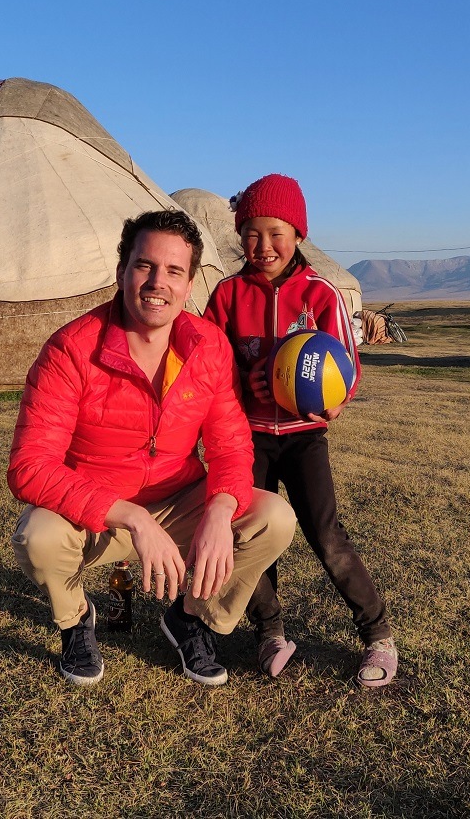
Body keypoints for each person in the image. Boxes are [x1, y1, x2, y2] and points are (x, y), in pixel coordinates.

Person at [8, 210, 296, 686]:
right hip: (98, 508)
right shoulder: (71, 349)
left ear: (189, 284)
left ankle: (192, 619)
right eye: (145, 266)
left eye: (174, 271)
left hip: (179, 497)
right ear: (122, 271)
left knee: (274, 517)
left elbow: (230, 444)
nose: (157, 282)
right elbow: (29, 467)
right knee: (38, 535)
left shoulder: (209, 347)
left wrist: (221, 511)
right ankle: (76, 619)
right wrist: (133, 518)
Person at [203, 174, 398, 687]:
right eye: (251, 234)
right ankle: (269, 632)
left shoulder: (322, 294)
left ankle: (377, 635)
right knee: (254, 532)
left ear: (298, 234)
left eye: (276, 233)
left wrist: (334, 403)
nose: (263, 246)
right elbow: (210, 365)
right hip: (246, 437)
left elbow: (347, 368)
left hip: (304, 436)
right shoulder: (226, 295)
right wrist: (252, 382)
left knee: (325, 534)